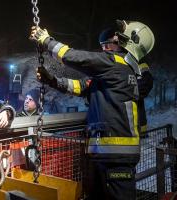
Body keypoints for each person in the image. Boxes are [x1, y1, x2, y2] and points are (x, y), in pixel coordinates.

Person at [30, 20, 155, 200]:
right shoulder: (121, 70)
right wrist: (52, 80)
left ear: (131, 40)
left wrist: (46, 40)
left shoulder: (116, 64)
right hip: (105, 155)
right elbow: (82, 87)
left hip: (115, 157)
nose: (111, 42)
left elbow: (73, 56)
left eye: (117, 37)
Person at [99, 28, 154, 136]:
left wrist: (121, 89)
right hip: (113, 127)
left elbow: (145, 85)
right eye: (103, 46)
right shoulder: (108, 64)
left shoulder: (136, 62)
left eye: (108, 44)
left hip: (134, 126)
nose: (105, 49)